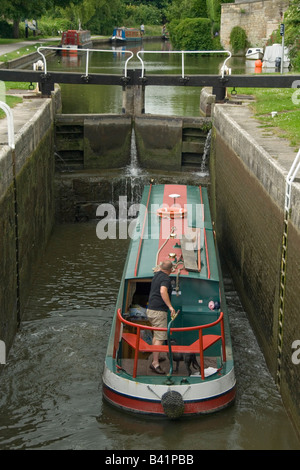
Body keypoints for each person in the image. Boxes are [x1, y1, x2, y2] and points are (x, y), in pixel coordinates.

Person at [146, 260, 175, 374]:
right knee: (160, 338)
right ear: (170, 270)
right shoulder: (166, 279)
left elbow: (157, 268)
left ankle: (155, 357)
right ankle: (155, 364)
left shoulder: (157, 274)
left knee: (156, 336)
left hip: (150, 311)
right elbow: (163, 291)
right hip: (159, 312)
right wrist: (170, 307)